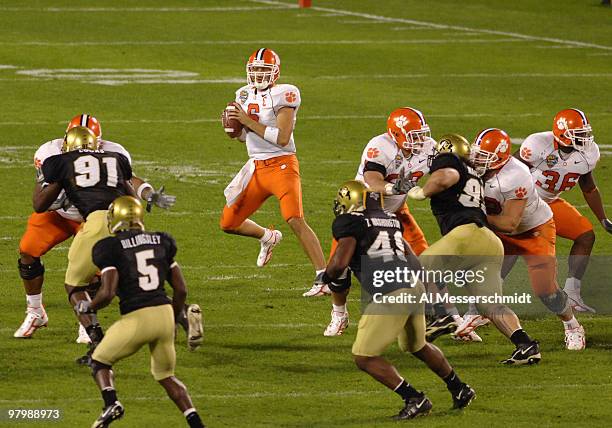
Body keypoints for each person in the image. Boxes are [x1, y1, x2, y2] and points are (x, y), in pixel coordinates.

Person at [14, 114, 176, 341]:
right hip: (61, 215)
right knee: (28, 250)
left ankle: (88, 321)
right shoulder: (49, 153)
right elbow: (41, 198)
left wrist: (149, 193)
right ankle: (35, 311)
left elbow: (127, 179)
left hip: (97, 216)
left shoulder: (114, 151)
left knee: (93, 272)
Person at [323, 180, 475, 419]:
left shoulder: (348, 221)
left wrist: (325, 276)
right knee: (418, 346)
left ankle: (414, 398)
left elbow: (339, 263)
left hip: (392, 291)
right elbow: (413, 259)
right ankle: (459, 388)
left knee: (364, 357)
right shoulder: (390, 219)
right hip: (413, 286)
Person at [323, 108, 472, 341]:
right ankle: (338, 313)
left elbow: (442, 171)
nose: (420, 140)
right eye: (414, 135)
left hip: (396, 212)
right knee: (339, 267)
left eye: (421, 134)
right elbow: (372, 180)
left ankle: (453, 318)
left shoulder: (427, 146)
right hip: (363, 211)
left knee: (425, 260)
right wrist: (395, 188)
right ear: (396, 134)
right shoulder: (380, 146)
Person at [407, 134, 541, 364]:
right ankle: (525, 344)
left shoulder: (451, 162)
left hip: (466, 235)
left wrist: (421, 192)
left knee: (422, 266)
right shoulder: (475, 176)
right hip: (489, 240)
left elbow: (444, 177)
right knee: (489, 304)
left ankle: (440, 315)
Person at [75, 196, 204, 428]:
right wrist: (174, 319)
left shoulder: (109, 247)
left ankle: (111, 404)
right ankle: (196, 423)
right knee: (166, 376)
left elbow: (107, 292)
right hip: (164, 314)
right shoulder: (162, 241)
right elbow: (181, 290)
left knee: (99, 362)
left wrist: (89, 306)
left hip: (138, 316)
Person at [467, 128, 585, 350]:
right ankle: (476, 314)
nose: (477, 160)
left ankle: (572, 325)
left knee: (546, 290)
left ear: (500, 158)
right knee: (480, 274)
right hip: (500, 228)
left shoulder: (515, 175)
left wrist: (474, 214)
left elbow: (509, 223)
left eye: (484, 156)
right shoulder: (477, 169)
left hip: (533, 230)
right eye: (477, 154)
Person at [222, 48, 326, 293]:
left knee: (294, 219)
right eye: (255, 70)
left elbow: (281, 137)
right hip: (256, 167)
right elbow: (244, 139)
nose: (259, 74)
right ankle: (267, 237)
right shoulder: (243, 93)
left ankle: (324, 277)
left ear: (275, 73)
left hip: (282, 165)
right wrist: (235, 130)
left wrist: (246, 121)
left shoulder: (285, 94)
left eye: (264, 70)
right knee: (229, 223)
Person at [32, 126, 136, 363]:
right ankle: (180, 314)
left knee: (74, 286)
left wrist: (49, 180)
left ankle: (97, 341)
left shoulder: (61, 161)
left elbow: (39, 205)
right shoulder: (116, 157)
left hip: (98, 221)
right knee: (137, 282)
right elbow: (133, 198)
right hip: (128, 220)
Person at [517, 109, 611, 312]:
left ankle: (573, 294)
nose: (584, 138)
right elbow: (510, 170)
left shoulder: (588, 152)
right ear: (562, 133)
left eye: (585, 132)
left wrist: (603, 219)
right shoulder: (538, 145)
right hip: (525, 204)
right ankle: (479, 308)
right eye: (578, 133)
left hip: (550, 202)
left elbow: (589, 187)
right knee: (511, 250)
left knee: (586, 235)